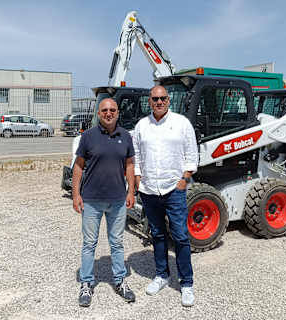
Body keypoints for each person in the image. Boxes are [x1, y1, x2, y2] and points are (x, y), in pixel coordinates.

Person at [132, 85, 198, 307]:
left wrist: (183, 180)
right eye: (155, 99)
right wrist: (139, 180)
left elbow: (192, 154)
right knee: (158, 235)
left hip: (174, 190)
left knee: (180, 236)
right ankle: (162, 275)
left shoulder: (181, 123)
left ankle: (186, 283)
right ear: (149, 101)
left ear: (169, 100)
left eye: (163, 98)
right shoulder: (142, 126)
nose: (159, 102)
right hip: (150, 191)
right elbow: (137, 155)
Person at [72, 98, 136, 307]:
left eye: (112, 110)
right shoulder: (88, 137)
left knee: (117, 243)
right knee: (89, 244)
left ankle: (119, 281)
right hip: (91, 200)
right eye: (104, 110)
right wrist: (75, 194)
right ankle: (86, 284)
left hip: (117, 200)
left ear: (118, 113)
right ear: (99, 113)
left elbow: (129, 166)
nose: (109, 113)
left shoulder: (126, 136)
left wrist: (131, 192)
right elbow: (78, 167)